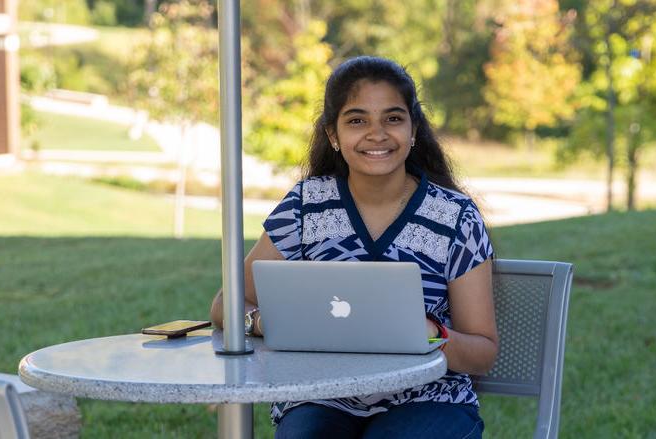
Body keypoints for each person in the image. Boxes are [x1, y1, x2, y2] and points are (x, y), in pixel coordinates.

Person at [210, 55, 497, 439]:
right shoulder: (305, 206)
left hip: (429, 399)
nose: (376, 134)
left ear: (413, 130)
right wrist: (264, 323)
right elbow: (224, 306)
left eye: (392, 118)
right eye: (357, 120)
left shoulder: (455, 216)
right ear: (333, 135)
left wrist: (433, 333)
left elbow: (482, 351)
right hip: (320, 397)